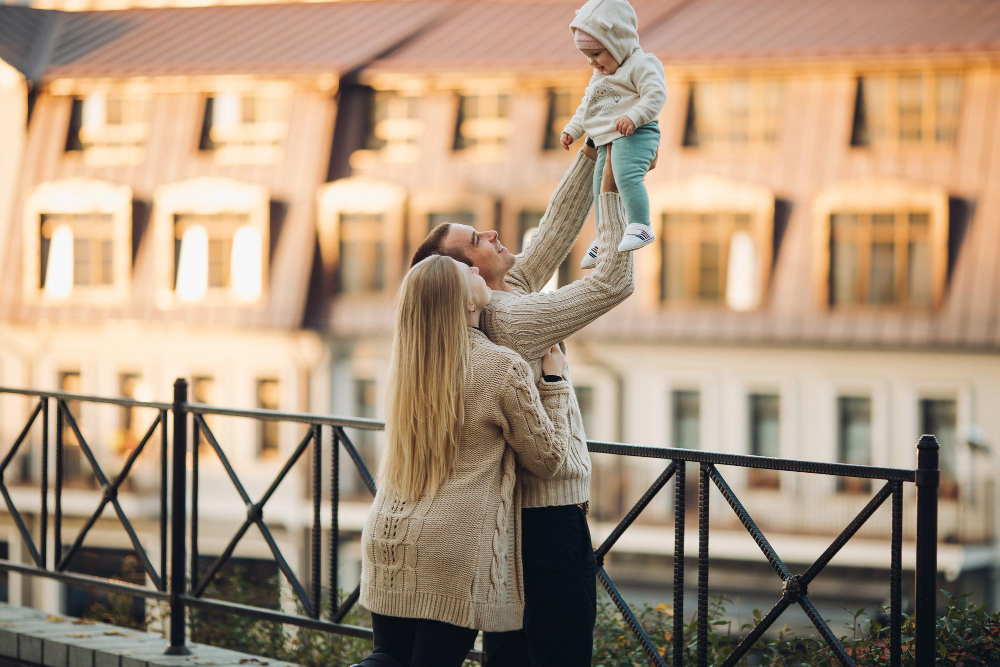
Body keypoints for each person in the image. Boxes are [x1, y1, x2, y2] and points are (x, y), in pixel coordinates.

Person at [410, 141, 642, 665]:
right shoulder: (512, 319)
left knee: (514, 652)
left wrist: (592, 151)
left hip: (518, 517)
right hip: (549, 519)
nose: (491, 233)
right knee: (559, 650)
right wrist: (615, 191)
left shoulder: (496, 299)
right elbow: (613, 282)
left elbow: (555, 228)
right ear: (467, 274)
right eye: (476, 240)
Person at [355, 255, 574, 667]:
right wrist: (555, 383)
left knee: (386, 658)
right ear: (467, 303)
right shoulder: (499, 366)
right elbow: (548, 459)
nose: (477, 269)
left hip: (388, 534)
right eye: (467, 272)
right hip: (450, 551)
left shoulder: (408, 366)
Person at [561, 0, 666, 268]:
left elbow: (655, 95)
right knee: (600, 189)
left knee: (626, 176)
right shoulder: (599, 77)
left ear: (618, 42)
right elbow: (588, 107)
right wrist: (572, 130)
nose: (591, 62)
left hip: (637, 132)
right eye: (587, 56)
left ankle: (641, 225)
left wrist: (634, 116)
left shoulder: (641, 64)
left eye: (596, 54)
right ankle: (606, 236)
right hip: (606, 139)